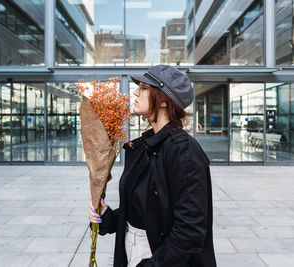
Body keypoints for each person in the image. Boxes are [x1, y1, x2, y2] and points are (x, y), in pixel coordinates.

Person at [88, 65, 216, 267]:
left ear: (164, 100)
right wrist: (108, 217)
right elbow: (144, 209)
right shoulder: (144, 145)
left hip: (160, 257)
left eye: (144, 88)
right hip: (133, 250)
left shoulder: (184, 152)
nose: (136, 92)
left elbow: (191, 230)